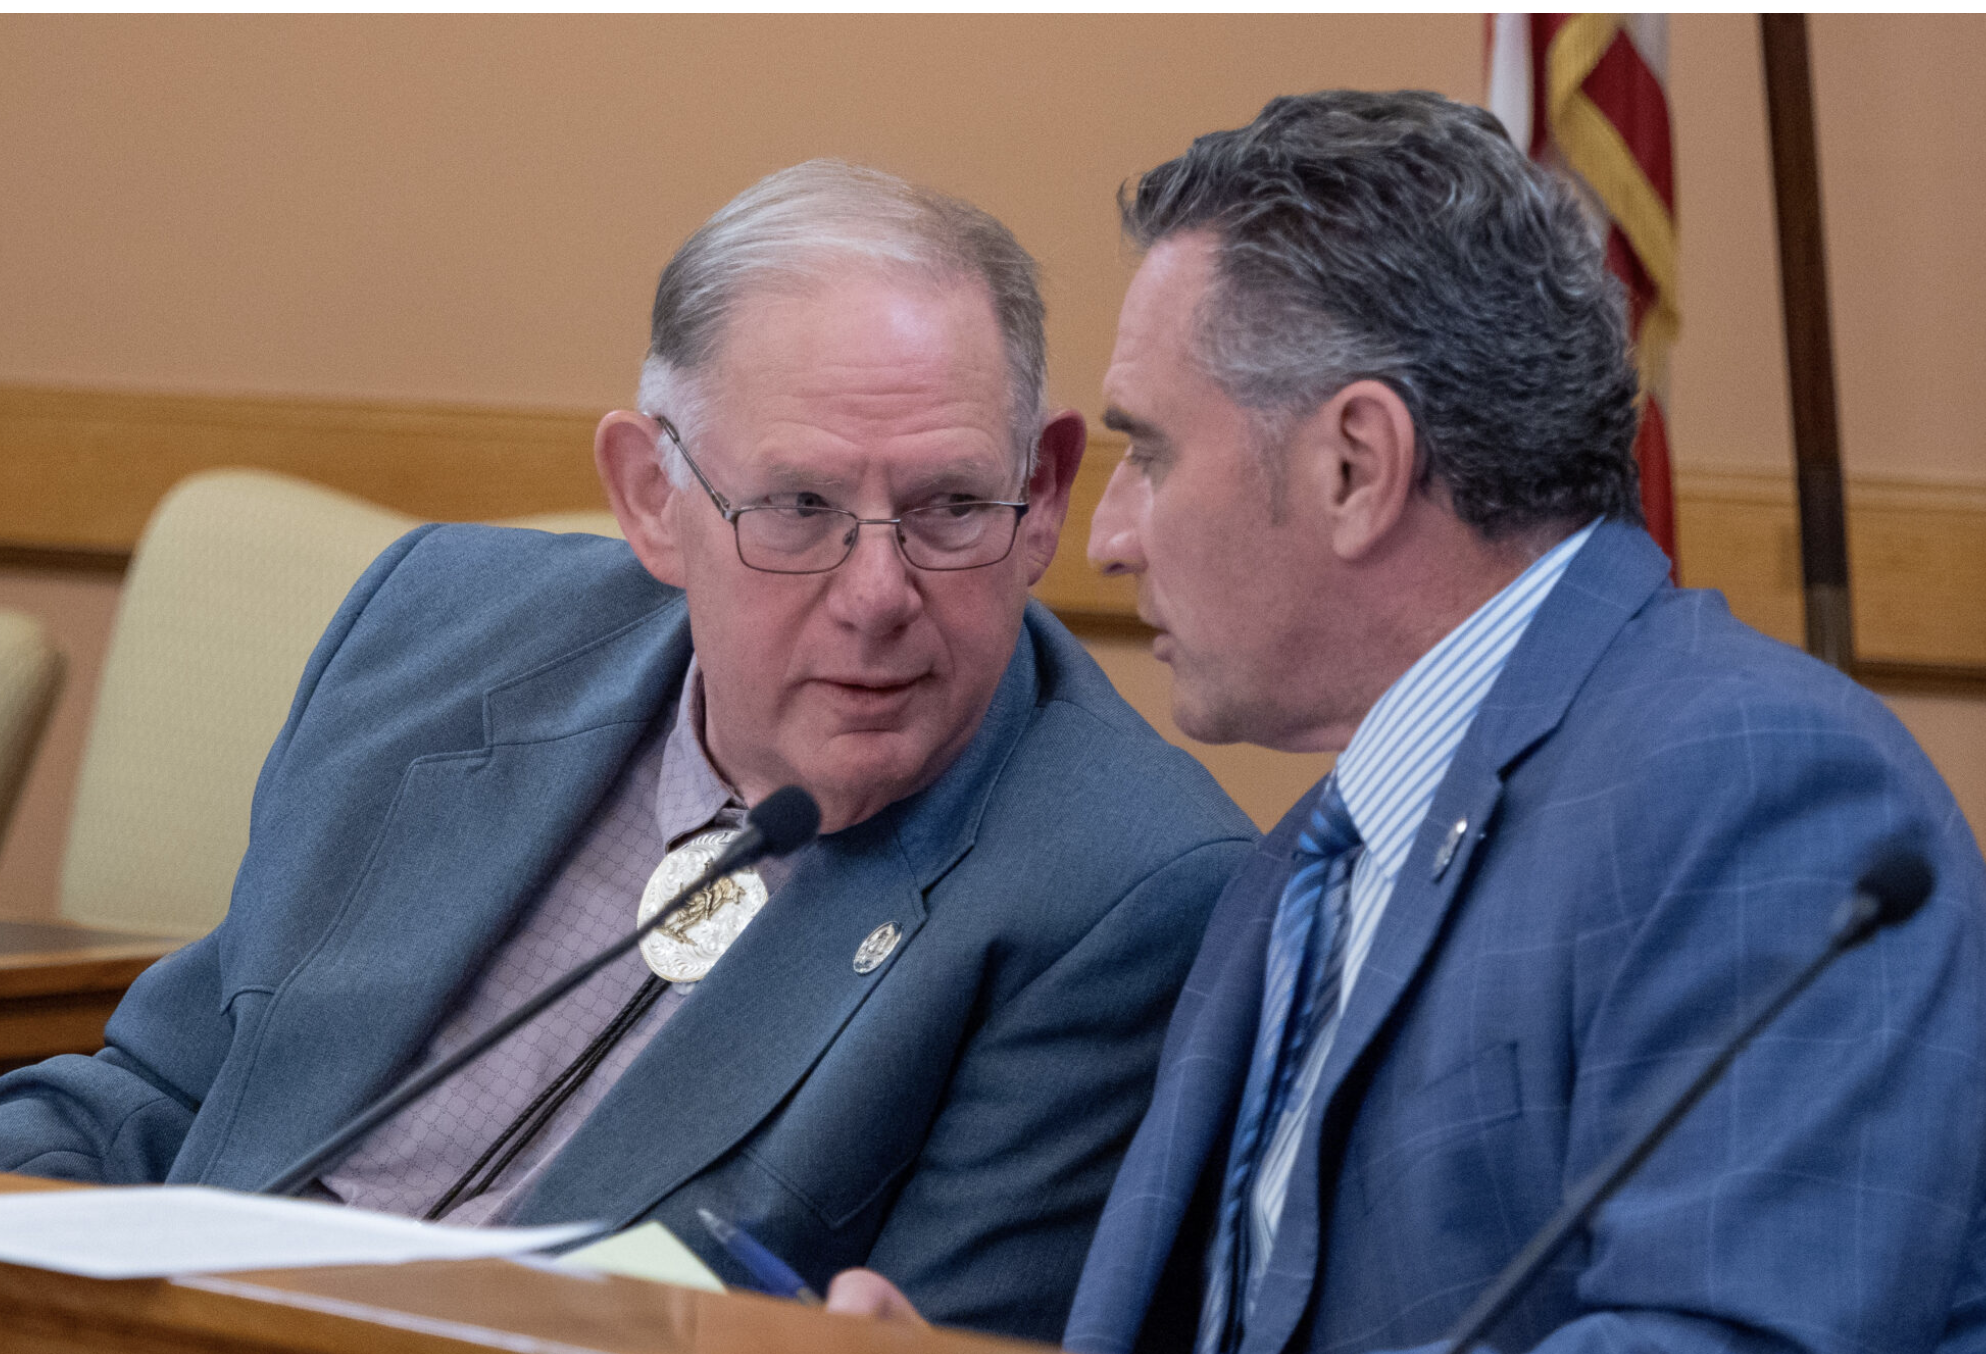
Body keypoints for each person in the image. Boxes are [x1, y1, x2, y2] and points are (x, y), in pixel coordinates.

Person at [0, 161, 1256, 1343]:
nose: (879, 593)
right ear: (652, 495)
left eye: (947, 508)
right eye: (799, 507)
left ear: (1042, 495)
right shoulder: (442, 631)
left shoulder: (1125, 892)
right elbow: (159, 1098)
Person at [828, 92, 1986, 1353]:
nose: (1106, 540)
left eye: (1151, 455)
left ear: (1356, 466)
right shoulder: (1314, 854)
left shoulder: (1761, 788)